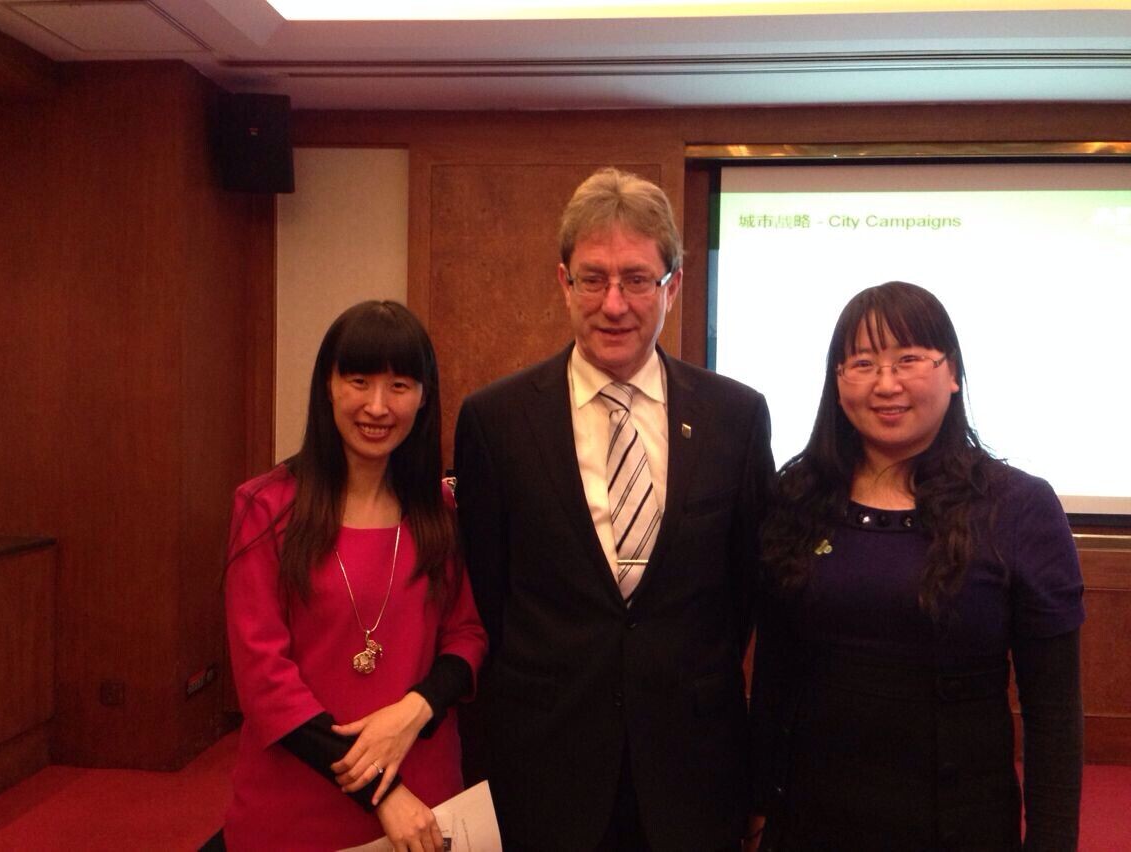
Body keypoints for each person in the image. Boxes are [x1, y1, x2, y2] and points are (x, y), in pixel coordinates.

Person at [453, 167, 774, 851]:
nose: (614, 304)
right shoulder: (496, 421)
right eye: (593, 279)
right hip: (547, 764)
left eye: (636, 279)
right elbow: (492, 592)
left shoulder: (736, 418)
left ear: (673, 286)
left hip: (693, 765)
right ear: (563, 282)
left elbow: (744, 593)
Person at [748, 281, 1084, 851]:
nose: (886, 384)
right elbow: (774, 675)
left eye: (908, 359)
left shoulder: (1018, 506)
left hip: (960, 825)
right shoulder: (798, 496)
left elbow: (1053, 711)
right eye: (862, 363)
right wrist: (756, 807)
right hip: (810, 819)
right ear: (837, 381)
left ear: (952, 373)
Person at [222, 300, 487, 852]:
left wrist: (414, 710)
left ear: (424, 396)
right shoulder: (265, 507)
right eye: (359, 381)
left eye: (399, 386)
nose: (377, 406)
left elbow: (466, 636)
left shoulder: (439, 511)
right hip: (299, 802)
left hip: (427, 794)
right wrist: (381, 793)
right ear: (328, 385)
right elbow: (265, 683)